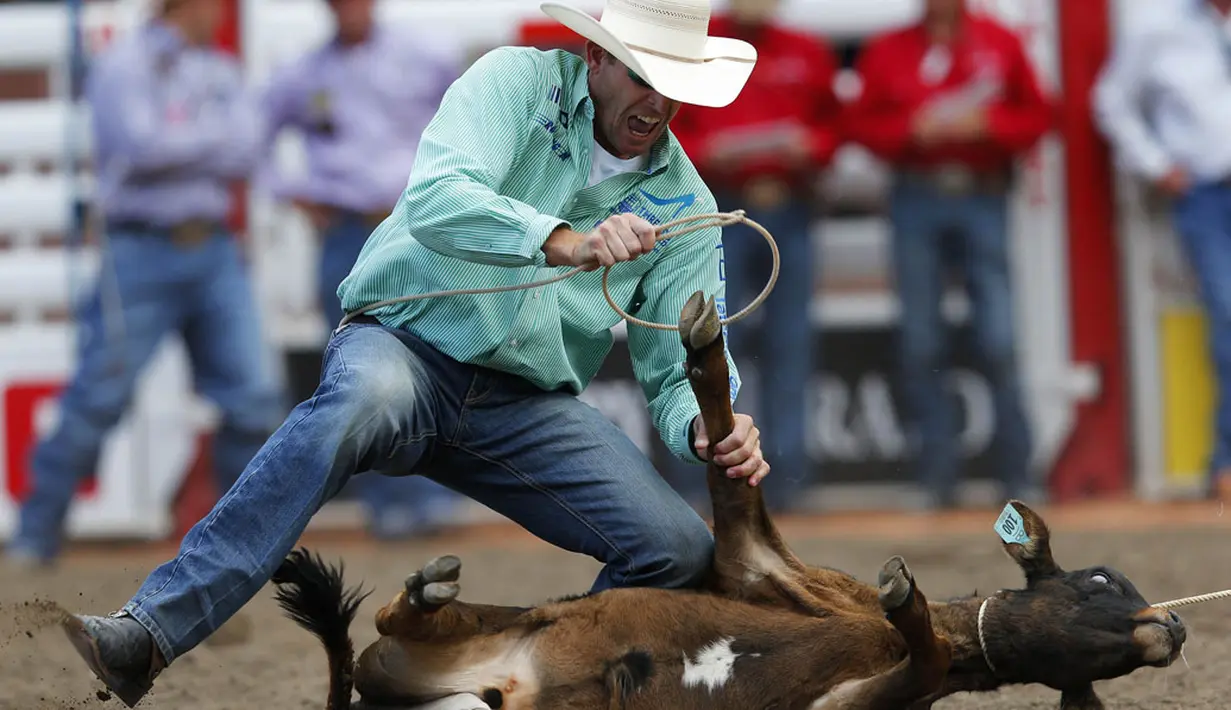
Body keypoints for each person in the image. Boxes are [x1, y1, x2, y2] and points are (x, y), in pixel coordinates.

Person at [60, 0, 770, 705]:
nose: (658, 101)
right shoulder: (515, 83)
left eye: (674, 82)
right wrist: (562, 238)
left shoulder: (686, 205)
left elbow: (676, 367)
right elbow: (436, 197)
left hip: (523, 401)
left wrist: (707, 427)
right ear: (596, 58)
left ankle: (499, 684)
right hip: (404, 342)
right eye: (644, 75)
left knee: (676, 551)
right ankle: (149, 632)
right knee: (352, 407)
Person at [4, 0, 283, 569]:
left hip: (210, 246)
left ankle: (240, 546)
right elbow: (142, 147)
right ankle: (34, 537)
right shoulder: (124, 65)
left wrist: (182, 140)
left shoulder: (215, 69)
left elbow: (246, 147)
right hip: (139, 250)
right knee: (100, 396)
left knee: (253, 396)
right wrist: (213, 140)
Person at [258, 0, 466, 540]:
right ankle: (391, 505)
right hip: (349, 229)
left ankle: (428, 500)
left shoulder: (424, 58)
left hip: (417, 225)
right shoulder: (304, 74)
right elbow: (249, 139)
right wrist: (294, 193)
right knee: (360, 367)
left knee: (436, 355)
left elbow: (475, 117)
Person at [844, 0, 1052, 509]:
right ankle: (936, 477)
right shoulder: (890, 49)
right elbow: (860, 124)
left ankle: (1018, 475)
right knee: (920, 338)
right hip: (916, 193)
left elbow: (1041, 114)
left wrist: (989, 126)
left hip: (982, 191)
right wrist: (910, 132)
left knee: (999, 337)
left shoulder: (999, 41)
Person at [670, 0, 841, 513]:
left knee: (791, 342)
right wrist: (706, 152)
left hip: (787, 204)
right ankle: (707, 469)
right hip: (714, 205)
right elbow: (667, 123)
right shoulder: (695, 47)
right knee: (710, 344)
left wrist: (812, 145)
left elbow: (834, 124)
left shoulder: (805, 51)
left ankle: (788, 478)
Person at [1093, 0, 1231, 503]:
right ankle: (1226, 462)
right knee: (1229, 317)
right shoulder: (1159, 25)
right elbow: (1112, 100)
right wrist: (1158, 165)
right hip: (1208, 193)